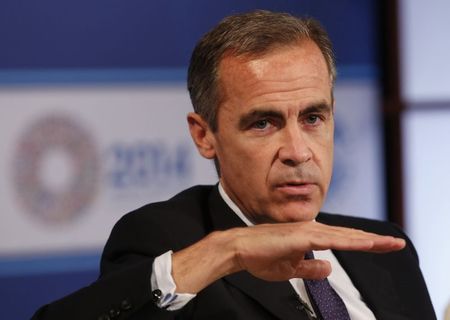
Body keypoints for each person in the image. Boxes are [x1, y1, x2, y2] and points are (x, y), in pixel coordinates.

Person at [32, 10, 436, 320]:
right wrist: (228, 250)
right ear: (204, 135)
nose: (298, 151)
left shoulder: (384, 247)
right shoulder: (164, 241)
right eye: (264, 123)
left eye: (313, 118)